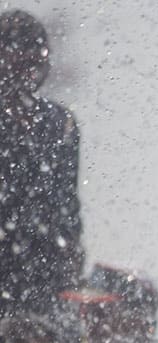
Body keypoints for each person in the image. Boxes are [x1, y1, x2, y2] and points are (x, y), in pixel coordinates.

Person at [0, 10, 83, 316]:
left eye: (35, 53)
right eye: (16, 52)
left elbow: (67, 203)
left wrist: (71, 252)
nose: (27, 65)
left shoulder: (60, 123)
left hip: (46, 273)